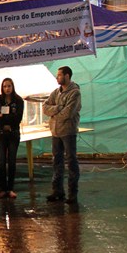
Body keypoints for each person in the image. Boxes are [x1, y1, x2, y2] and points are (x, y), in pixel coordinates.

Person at [43, 66, 82, 204]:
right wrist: (58, 108)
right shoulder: (56, 92)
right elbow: (45, 107)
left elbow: (68, 113)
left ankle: (72, 194)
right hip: (55, 132)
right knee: (57, 161)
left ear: (67, 76)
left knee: (71, 161)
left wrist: (54, 114)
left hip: (68, 132)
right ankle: (57, 191)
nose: (57, 77)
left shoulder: (75, 93)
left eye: (59, 75)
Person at [0, 78, 25, 199]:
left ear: (12, 87)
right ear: (2, 87)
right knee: (1, 161)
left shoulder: (18, 100)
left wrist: (3, 117)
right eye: (5, 86)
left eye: (9, 86)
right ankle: (3, 189)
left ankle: (10, 189)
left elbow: (18, 118)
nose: (7, 88)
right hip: (1, 134)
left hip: (13, 134)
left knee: (11, 161)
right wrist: (6, 119)